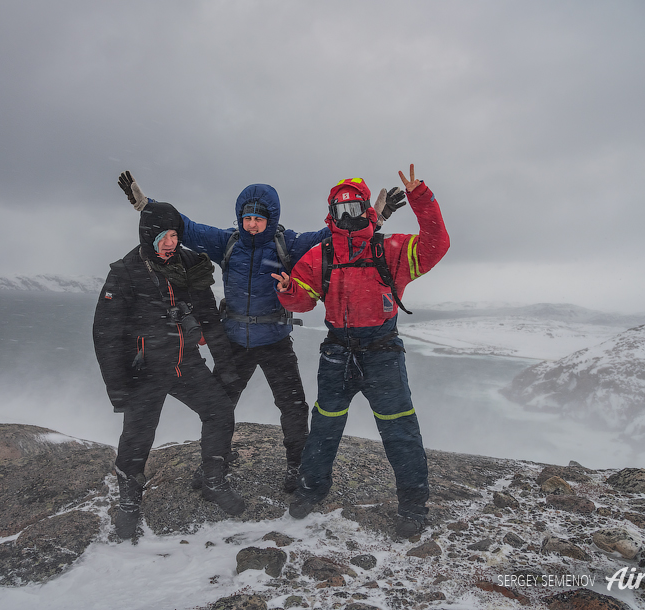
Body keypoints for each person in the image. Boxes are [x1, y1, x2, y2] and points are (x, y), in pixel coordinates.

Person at [118, 172, 380, 493]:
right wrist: (147, 206)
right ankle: (215, 463)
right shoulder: (227, 243)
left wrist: (373, 218)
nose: (251, 224)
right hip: (233, 344)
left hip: (275, 341)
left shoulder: (290, 245)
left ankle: (297, 466)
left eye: (258, 218)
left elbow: (335, 236)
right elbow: (186, 227)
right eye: (247, 217)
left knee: (293, 405)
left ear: (271, 219)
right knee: (220, 405)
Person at [272, 164, 450, 538]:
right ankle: (311, 489)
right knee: (324, 425)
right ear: (331, 214)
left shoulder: (391, 250)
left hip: (382, 351)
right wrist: (289, 291)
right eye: (341, 210)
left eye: (355, 208)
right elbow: (303, 303)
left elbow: (436, 244)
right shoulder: (321, 255)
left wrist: (421, 196)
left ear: (368, 208)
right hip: (337, 352)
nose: (348, 216)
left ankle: (414, 505)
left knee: (399, 428)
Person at [92, 200, 246, 542]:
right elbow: (105, 334)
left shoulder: (190, 265)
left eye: (175, 234)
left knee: (220, 411)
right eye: (163, 235)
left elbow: (209, 319)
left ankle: (212, 481)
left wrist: (226, 366)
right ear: (149, 236)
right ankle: (130, 504)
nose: (170, 242)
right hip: (144, 369)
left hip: (185, 363)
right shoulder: (126, 271)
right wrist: (116, 387)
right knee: (137, 438)